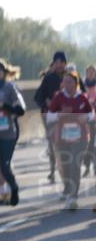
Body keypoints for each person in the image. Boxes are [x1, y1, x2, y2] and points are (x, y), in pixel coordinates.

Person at [0, 59, 26, 218]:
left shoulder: (10, 88)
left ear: (5, 72)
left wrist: (4, 106)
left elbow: (21, 110)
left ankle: (14, 187)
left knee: (5, 168)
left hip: (7, 133)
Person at [46, 70, 94, 210]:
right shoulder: (58, 97)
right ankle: (67, 188)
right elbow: (49, 117)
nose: (66, 84)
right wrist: (60, 115)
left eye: (69, 81)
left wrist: (86, 118)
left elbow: (92, 115)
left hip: (81, 137)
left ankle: (73, 196)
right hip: (62, 137)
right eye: (64, 81)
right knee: (64, 166)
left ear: (76, 83)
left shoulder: (82, 98)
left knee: (75, 164)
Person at [34, 51, 69, 184]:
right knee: (53, 145)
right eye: (56, 62)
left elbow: (81, 94)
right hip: (52, 117)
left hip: (69, 118)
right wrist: (46, 102)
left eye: (62, 62)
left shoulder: (72, 77)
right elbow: (38, 97)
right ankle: (52, 171)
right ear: (54, 64)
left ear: (66, 63)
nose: (59, 65)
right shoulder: (49, 78)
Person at [83, 65, 96, 178]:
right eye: (89, 72)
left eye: (93, 72)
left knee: (94, 143)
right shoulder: (82, 86)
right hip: (86, 119)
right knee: (88, 144)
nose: (91, 74)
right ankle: (87, 165)